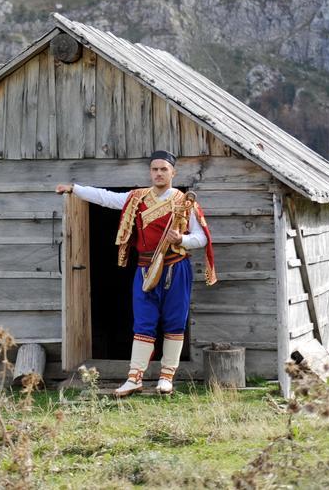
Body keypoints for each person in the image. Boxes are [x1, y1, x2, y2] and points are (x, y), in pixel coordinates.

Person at [55, 150, 216, 396]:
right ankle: (134, 378)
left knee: (174, 321)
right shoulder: (137, 198)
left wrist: (182, 239)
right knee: (143, 321)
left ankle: (166, 377)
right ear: (150, 172)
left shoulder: (184, 202)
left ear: (173, 172)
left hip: (175, 268)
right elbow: (105, 198)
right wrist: (74, 189)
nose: (159, 173)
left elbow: (202, 238)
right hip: (144, 269)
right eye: (155, 169)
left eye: (164, 169)